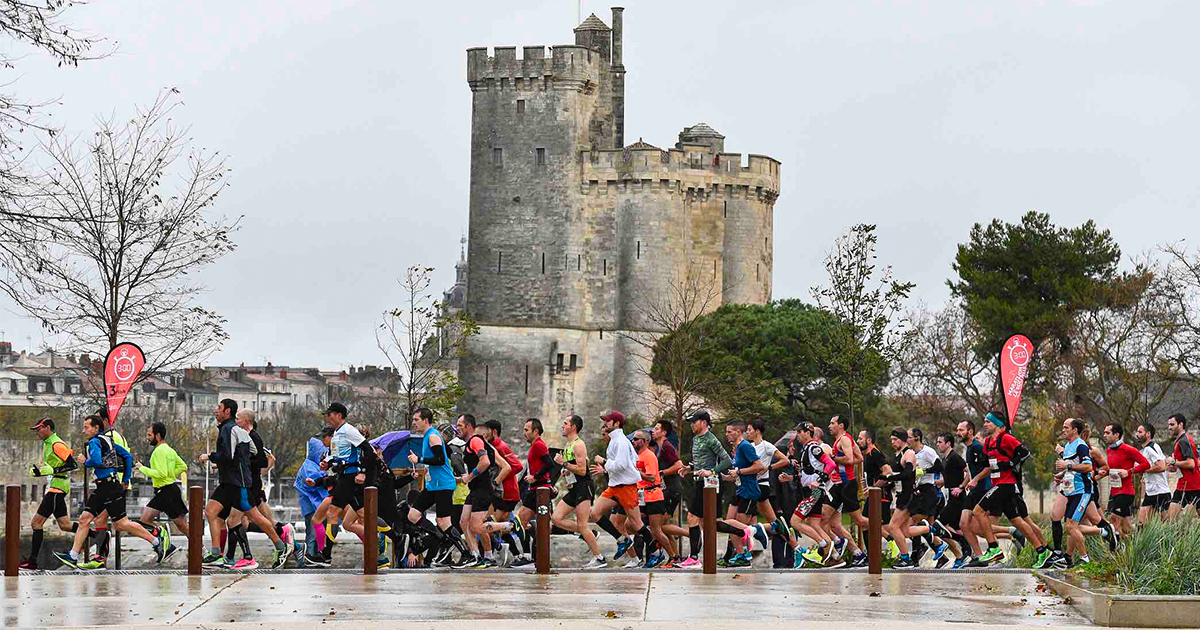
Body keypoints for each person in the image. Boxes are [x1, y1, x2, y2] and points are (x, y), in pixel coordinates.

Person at [54, 415, 169, 569]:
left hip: (108, 487)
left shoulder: (95, 442)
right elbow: (127, 456)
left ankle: (156, 541)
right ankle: (73, 556)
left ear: (96, 428)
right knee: (86, 519)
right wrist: (125, 479)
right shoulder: (108, 440)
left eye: (86, 427)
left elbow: (95, 461)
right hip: (107, 486)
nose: (83, 430)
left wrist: (84, 461)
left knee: (121, 523)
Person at [199, 398, 288, 569]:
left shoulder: (229, 429)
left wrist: (209, 456)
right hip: (228, 482)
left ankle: (281, 547)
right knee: (211, 512)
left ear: (227, 411)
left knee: (256, 517)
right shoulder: (235, 430)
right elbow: (252, 451)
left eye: (219, 408)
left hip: (237, 483)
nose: (215, 411)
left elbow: (228, 455)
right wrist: (241, 459)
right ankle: (217, 554)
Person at [971, 412, 1047, 567]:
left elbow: (1024, 453)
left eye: (989, 422)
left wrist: (1011, 464)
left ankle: (994, 548)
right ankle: (1043, 551)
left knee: (978, 511)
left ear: (999, 425)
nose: (985, 424)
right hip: (997, 484)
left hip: (1006, 484)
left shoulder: (1006, 438)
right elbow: (988, 464)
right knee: (1017, 521)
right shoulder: (987, 443)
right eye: (985, 421)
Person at [403, 407, 467, 568]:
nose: (414, 422)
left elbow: (440, 459)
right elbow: (441, 458)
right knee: (413, 514)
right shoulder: (428, 436)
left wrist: (419, 458)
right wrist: (426, 466)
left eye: (416, 420)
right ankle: (438, 536)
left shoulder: (432, 436)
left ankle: (466, 554)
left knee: (444, 522)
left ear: (426, 420)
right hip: (433, 485)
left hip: (443, 485)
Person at [20, 417, 79, 571]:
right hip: (56, 486)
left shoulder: (56, 443)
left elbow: (73, 464)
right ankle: (99, 535)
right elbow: (53, 466)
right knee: (65, 525)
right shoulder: (47, 444)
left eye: (39, 429)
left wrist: (52, 471)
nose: (37, 432)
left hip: (57, 488)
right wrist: (40, 472)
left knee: (36, 524)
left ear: (47, 428)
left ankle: (32, 562)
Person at [454, 413, 510, 568]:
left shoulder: (475, 440)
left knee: (476, 527)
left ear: (469, 426)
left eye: (460, 425)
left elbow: (484, 461)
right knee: (463, 522)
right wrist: (463, 478)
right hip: (475, 489)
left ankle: (510, 526)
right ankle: (475, 556)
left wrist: (470, 477)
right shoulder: (471, 443)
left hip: (482, 490)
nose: (457, 428)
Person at [588, 411, 645, 562]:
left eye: (608, 422)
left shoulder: (620, 441)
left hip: (626, 487)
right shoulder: (615, 441)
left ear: (616, 424)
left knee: (636, 523)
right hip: (615, 487)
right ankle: (623, 542)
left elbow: (622, 464)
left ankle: (655, 554)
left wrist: (604, 463)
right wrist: (606, 468)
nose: (605, 425)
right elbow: (629, 462)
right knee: (595, 514)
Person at [678, 410, 732, 568]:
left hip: (710, 484)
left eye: (694, 421)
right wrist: (689, 468)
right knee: (710, 523)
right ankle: (748, 532)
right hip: (700, 482)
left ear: (703, 422)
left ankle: (694, 557)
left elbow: (727, 460)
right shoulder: (696, 439)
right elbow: (701, 461)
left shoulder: (711, 439)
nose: (691, 425)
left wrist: (711, 472)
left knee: (692, 517)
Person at [550, 414, 606, 569]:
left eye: (565, 423)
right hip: (574, 488)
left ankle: (599, 558)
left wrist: (564, 464)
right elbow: (584, 461)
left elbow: (583, 470)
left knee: (582, 524)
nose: (562, 426)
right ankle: (590, 534)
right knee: (556, 518)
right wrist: (566, 472)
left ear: (573, 427)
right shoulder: (569, 444)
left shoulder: (578, 444)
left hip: (584, 487)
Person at [133, 422, 189, 561]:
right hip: (166, 490)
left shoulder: (158, 451)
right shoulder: (169, 449)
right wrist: (171, 474)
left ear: (157, 435)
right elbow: (183, 466)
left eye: (149, 435)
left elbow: (161, 473)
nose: (147, 438)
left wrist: (142, 468)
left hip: (167, 491)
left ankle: (202, 550)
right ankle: (165, 545)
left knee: (182, 526)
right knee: (145, 520)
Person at [510, 418, 553, 568]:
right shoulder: (535, 445)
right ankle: (531, 555)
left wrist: (535, 477)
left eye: (527, 430)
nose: (524, 433)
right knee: (523, 521)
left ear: (536, 431)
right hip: (537, 489)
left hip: (539, 489)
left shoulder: (539, 445)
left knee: (521, 521)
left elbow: (549, 464)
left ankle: (528, 557)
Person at [825, 415, 866, 567]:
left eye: (832, 423)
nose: (829, 426)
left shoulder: (844, 439)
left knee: (860, 520)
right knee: (825, 519)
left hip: (847, 484)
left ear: (840, 425)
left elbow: (849, 459)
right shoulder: (844, 439)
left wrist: (833, 458)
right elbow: (859, 458)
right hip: (838, 485)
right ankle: (855, 552)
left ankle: (886, 531)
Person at [632, 429, 676, 567]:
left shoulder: (649, 456)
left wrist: (637, 473)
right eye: (633, 439)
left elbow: (651, 478)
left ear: (644, 442)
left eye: (636, 439)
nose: (633, 441)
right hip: (642, 496)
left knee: (657, 530)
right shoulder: (637, 456)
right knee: (631, 524)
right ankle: (656, 553)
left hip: (653, 496)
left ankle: (673, 557)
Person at [1099, 423, 1150, 537]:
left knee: (1113, 523)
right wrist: (1104, 473)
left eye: (1107, 433)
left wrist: (1129, 471)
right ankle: (1136, 547)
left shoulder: (1128, 449)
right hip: (1114, 492)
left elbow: (1146, 464)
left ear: (1116, 435)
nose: (1104, 435)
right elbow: (1113, 469)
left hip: (1125, 492)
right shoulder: (1109, 450)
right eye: (1104, 432)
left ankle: (1114, 553)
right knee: (1126, 529)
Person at [653, 419, 689, 566]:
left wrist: (662, 472)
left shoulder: (667, 446)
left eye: (656, 428)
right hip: (667, 490)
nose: (653, 431)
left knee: (658, 527)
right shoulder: (660, 447)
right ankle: (676, 558)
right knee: (663, 528)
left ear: (664, 432)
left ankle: (690, 534)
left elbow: (679, 464)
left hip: (672, 490)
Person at [934, 432, 970, 568]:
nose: (938, 444)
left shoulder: (954, 457)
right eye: (937, 442)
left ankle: (964, 550)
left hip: (957, 498)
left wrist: (961, 487)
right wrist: (931, 482)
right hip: (949, 496)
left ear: (948, 444)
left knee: (937, 526)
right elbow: (945, 480)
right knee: (955, 528)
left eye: (940, 442)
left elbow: (969, 472)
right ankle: (964, 555)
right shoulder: (945, 459)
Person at [296, 431, 332, 566]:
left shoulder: (311, 464)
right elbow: (313, 483)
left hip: (315, 505)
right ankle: (311, 555)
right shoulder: (309, 466)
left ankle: (317, 555)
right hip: (312, 506)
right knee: (312, 532)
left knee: (316, 531)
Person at [959, 419, 991, 565]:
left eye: (961, 430)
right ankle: (980, 557)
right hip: (972, 490)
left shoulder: (978, 447)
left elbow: (988, 467)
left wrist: (976, 480)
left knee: (978, 526)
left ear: (970, 431)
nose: (958, 433)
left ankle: (1010, 534)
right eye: (958, 430)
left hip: (982, 489)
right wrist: (966, 483)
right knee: (964, 524)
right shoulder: (969, 448)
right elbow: (971, 471)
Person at [1135, 422, 1171, 522]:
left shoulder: (1151, 447)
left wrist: (1143, 469)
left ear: (1148, 434)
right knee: (1141, 524)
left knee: (1167, 526)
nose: (1137, 434)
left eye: (1140, 432)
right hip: (1150, 492)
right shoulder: (1146, 449)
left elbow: (1161, 466)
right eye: (1137, 432)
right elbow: (1165, 463)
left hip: (1161, 492)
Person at [1166, 413, 1200, 519]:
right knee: (1172, 517)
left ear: (1180, 424)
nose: (1169, 428)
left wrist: (1174, 462)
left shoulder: (1184, 441)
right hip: (1186, 484)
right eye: (1169, 425)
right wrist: (1173, 466)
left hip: (1190, 486)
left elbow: (1191, 463)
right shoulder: (1181, 441)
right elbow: (1196, 462)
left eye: (1172, 425)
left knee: (1172, 519)